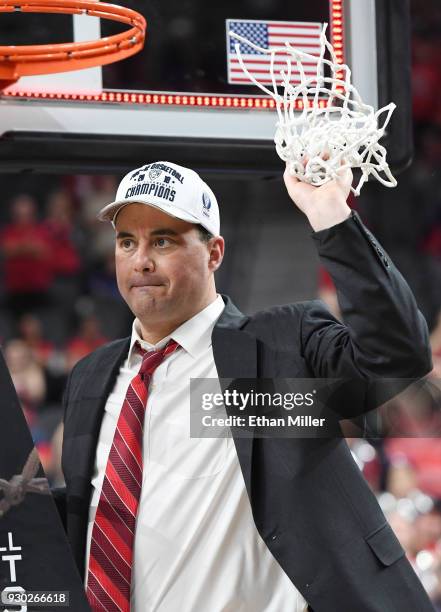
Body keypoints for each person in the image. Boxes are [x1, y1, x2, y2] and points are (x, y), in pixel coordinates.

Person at [60, 160, 434, 611]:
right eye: (127, 242)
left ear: (215, 252)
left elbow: (393, 358)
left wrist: (333, 217)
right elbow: (91, 510)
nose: (141, 260)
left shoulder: (278, 349)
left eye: (163, 240)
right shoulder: (90, 375)